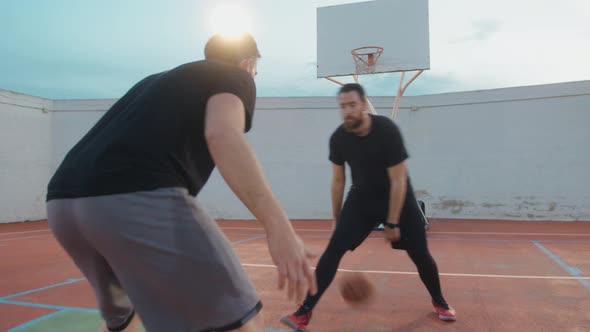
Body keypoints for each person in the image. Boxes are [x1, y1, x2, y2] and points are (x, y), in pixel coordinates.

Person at [46, 33, 316, 332]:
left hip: (63, 205)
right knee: (241, 320)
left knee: (125, 319)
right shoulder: (234, 76)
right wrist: (278, 227)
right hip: (134, 197)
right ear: (248, 63)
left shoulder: (154, 82)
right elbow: (223, 134)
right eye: (255, 71)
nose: (254, 77)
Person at [281, 83, 455, 331]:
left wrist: (392, 222)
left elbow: (398, 180)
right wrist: (336, 219)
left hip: (399, 199)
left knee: (420, 255)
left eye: (352, 105)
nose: (348, 111)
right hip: (362, 200)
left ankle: (440, 302)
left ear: (362, 105)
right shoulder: (339, 138)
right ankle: (304, 312)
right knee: (333, 251)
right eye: (343, 106)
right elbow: (338, 180)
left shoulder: (386, 130)